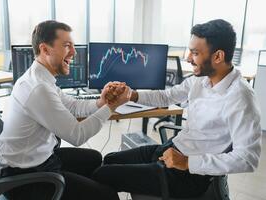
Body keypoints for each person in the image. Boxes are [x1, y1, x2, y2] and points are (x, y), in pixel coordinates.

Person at [92, 19, 262, 198]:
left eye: (195, 53)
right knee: (110, 159)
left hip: (189, 174)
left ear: (218, 56)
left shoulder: (240, 98)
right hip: (172, 149)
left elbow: (247, 159)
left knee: (103, 175)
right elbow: (167, 96)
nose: (188, 58)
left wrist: (189, 162)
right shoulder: (200, 80)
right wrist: (131, 95)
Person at [0, 20, 130, 200]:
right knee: (108, 196)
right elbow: (77, 135)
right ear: (45, 49)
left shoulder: (41, 79)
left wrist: (101, 101)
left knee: (94, 158)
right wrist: (111, 107)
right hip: (25, 178)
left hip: (40, 158)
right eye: (67, 46)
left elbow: (74, 106)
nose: (74, 52)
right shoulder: (38, 89)